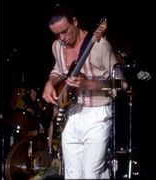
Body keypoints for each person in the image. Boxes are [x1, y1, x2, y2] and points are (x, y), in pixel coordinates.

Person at [42, 4, 124, 179]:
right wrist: (50, 82)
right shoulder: (57, 47)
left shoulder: (100, 46)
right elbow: (58, 69)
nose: (62, 38)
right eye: (57, 34)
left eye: (65, 31)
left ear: (75, 22)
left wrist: (89, 85)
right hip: (70, 115)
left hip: (97, 115)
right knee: (72, 175)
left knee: (91, 173)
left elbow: (121, 84)